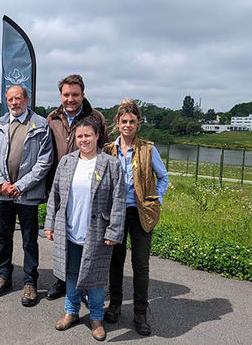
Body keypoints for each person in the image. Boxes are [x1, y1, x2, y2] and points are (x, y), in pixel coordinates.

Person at [44, 117, 125, 341]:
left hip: (97, 233)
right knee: (70, 274)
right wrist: (49, 223)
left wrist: (114, 231)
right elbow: (55, 196)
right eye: (79, 136)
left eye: (88, 135)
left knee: (96, 277)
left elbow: (118, 201)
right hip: (70, 230)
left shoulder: (111, 164)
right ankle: (71, 312)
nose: (83, 140)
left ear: (97, 136)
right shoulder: (67, 162)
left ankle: (96, 318)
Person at [103, 99, 169, 336]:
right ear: (117, 123)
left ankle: (140, 311)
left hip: (141, 213)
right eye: (124, 121)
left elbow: (163, 177)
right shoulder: (108, 150)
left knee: (140, 264)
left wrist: (155, 199)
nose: (128, 125)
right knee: (115, 261)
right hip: (116, 214)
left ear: (138, 124)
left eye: (132, 121)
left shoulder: (148, 149)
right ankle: (115, 305)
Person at [0, 85, 53, 307]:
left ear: (27, 99)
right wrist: (1, 183)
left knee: (29, 241)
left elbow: (44, 161)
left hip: (27, 195)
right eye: (10, 99)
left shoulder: (41, 125)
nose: (14, 103)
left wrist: (21, 185)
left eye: (18, 99)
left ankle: (30, 282)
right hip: (3, 194)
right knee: (4, 238)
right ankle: (4, 276)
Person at [45, 74, 109, 300]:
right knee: (64, 238)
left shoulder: (96, 118)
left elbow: (105, 152)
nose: (70, 99)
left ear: (83, 95)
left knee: (87, 241)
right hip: (60, 186)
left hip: (88, 187)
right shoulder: (51, 118)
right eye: (66, 94)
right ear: (60, 95)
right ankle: (63, 282)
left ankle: (86, 286)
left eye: (75, 95)